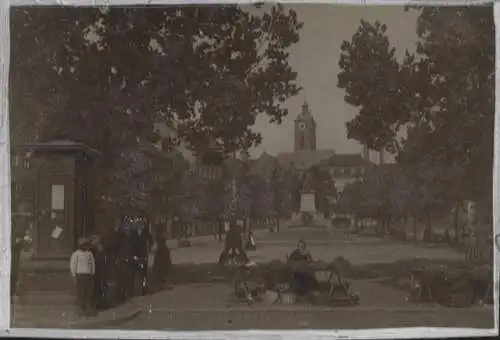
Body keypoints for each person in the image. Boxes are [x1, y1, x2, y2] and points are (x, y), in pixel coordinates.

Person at [70, 237, 96, 317]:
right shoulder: (76, 254)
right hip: (80, 275)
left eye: (85, 245)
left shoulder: (89, 254)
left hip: (88, 275)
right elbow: (73, 265)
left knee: (89, 293)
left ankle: (88, 308)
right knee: (81, 293)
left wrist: (92, 272)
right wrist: (74, 275)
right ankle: (81, 309)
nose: (84, 247)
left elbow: (92, 264)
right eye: (83, 245)